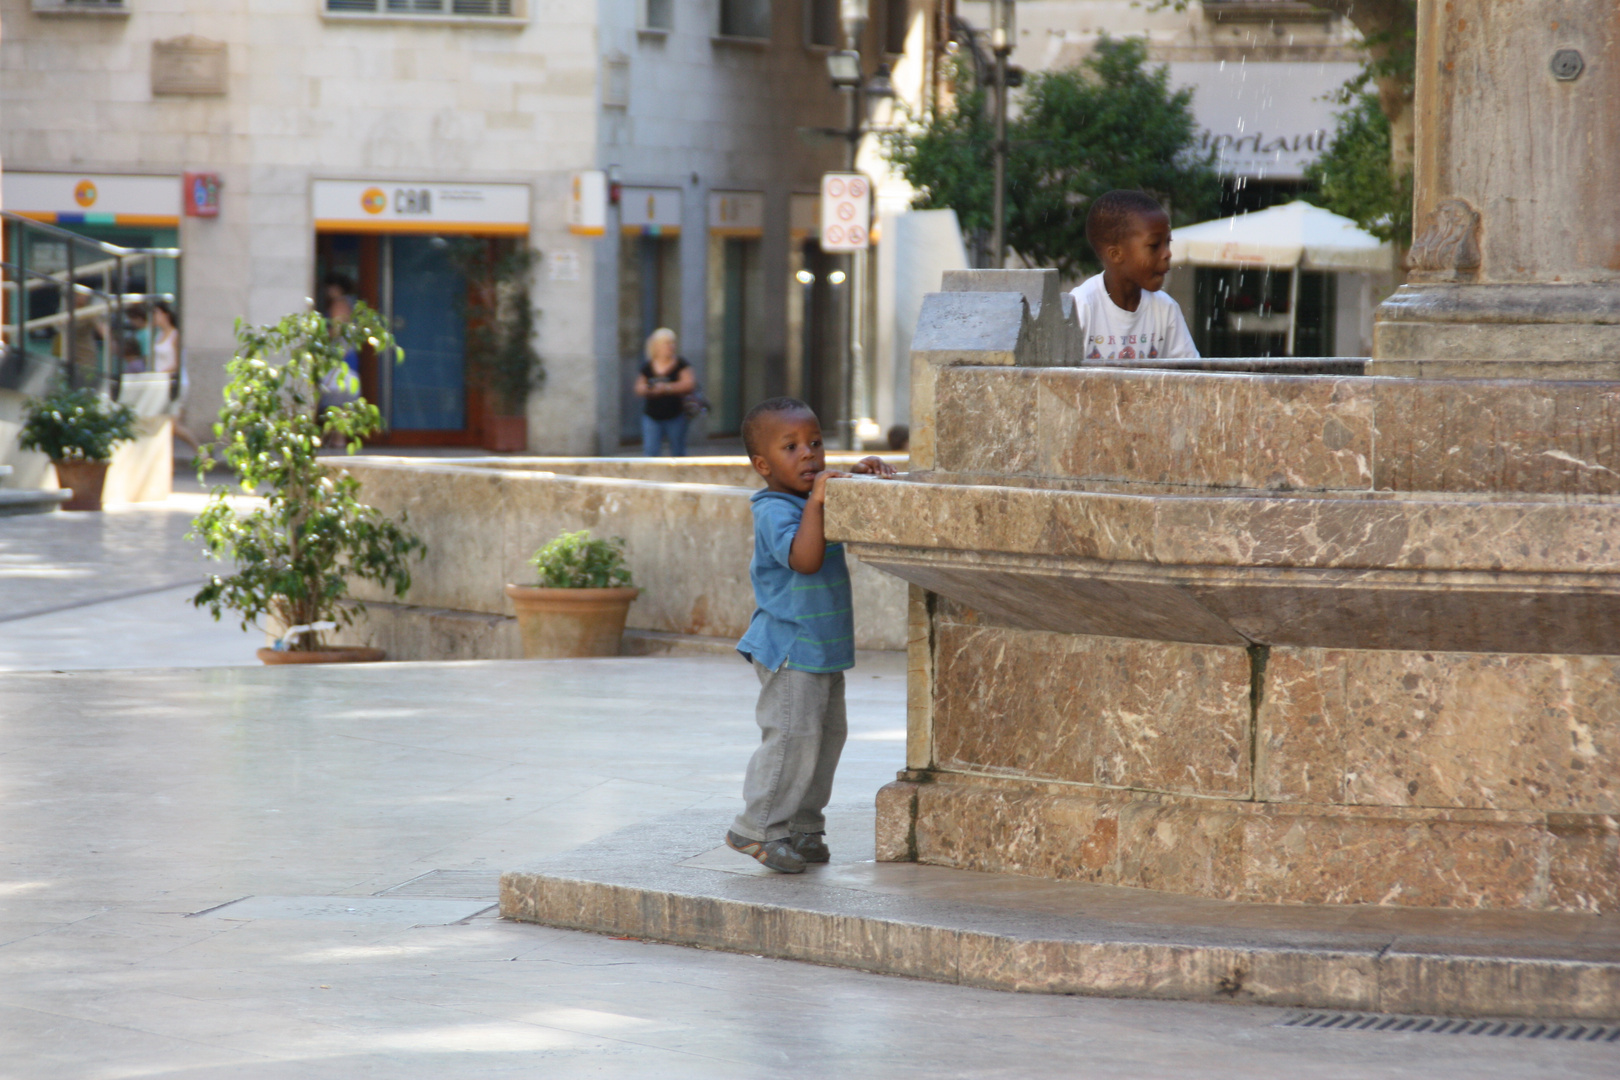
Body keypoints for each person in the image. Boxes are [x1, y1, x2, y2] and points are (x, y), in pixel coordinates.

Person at [726, 397, 898, 873]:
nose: (809, 454)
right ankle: (757, 828)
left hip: (823, 650)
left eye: (816, 443)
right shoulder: (774, 509)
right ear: (763, 465)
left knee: (825, 740)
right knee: (790, 739)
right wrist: (821, 500)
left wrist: (861, 477)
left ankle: (803, 826)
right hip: (789, 649)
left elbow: (845, 514)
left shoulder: (812, 500)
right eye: (791, 446)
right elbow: (805, 558)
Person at [1072, 189, 1198, 362]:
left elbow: (1191, 375)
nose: (1167, 254)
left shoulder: (1165, 308)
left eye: (1168, 243)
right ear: (1116, 254)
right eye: (1154, 245)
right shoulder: (1081, 307)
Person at [633, 327, 695, 456]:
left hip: (675, 414)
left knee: (678, 450)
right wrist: (648, 389)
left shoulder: (680, 364)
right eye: (666, 344)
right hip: (652, 415)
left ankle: (679, 475)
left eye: (672, 343)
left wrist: (667, 388)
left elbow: (689, 384)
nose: (670, 347)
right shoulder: (648, 366)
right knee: (651, 450)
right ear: (657, 346)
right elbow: (639, 387)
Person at [150, 302, 200, 452]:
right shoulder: (158, 335)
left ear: (165, 315)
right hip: (160, 383)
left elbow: (177, 364)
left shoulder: (175, 335)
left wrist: (161, 373)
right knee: (163, 423)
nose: (154, 318)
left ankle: (199, 450)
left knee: (173, 425)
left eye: (156, 314)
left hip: (175, 382)